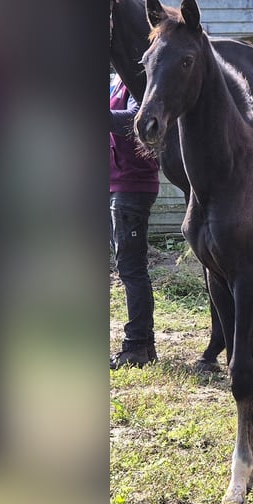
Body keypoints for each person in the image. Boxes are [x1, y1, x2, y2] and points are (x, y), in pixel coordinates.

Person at [109, 76, 160, 369]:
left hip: (133, 186)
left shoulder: (137, 81)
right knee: (127, 268)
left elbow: (135, 118)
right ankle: (143, 345)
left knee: (131, 270)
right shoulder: (116, 80)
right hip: (117, 185)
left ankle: (138, 346)